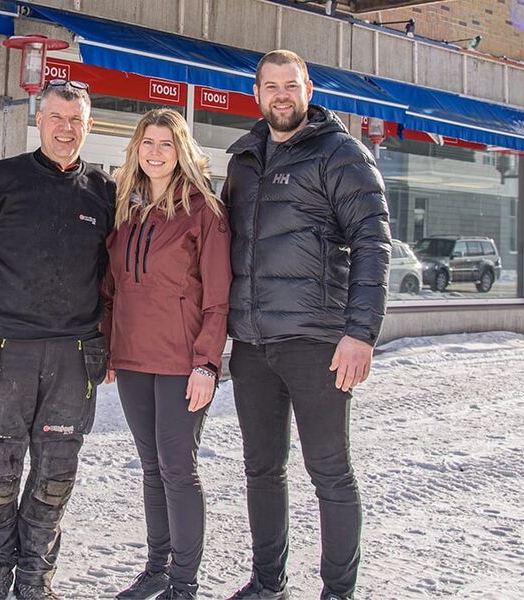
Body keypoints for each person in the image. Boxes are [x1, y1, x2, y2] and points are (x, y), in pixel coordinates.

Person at [222, 50, 391, 600]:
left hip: (318, 341)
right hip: (251, 343)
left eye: (290, 85)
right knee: (261, 470)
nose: (281, 95)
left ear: (308, 89)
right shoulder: (243, 160)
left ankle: (337, 591)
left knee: (329, 473)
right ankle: (268, 584)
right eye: (270, 86)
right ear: (257, 94)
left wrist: (361, 331)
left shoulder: (340, 153)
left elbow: (373, 241)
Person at [0, 79, 115, 600]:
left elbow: (115, 276)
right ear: (38, 121)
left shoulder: (104, 193)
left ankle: (36, 578)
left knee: (56, 474)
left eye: (76, 120)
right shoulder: (0, 181)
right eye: (57, 118)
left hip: (73, 357)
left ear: (89, 126)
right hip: (3, 353)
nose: (66, 128)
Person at [99, 108, 231, 600]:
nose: (155, 152)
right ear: (136, 150)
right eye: (147, 143)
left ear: (182, 152)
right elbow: (112, 288)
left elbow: (218, 299)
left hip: (182, 361)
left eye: (166, 144)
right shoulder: (125, 211)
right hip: (133, 356)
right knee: (150, 467)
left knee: (178, 468)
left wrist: (207, 363)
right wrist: (110, 346)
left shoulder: (205, 212)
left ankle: (184, 582)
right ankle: (156, 569)